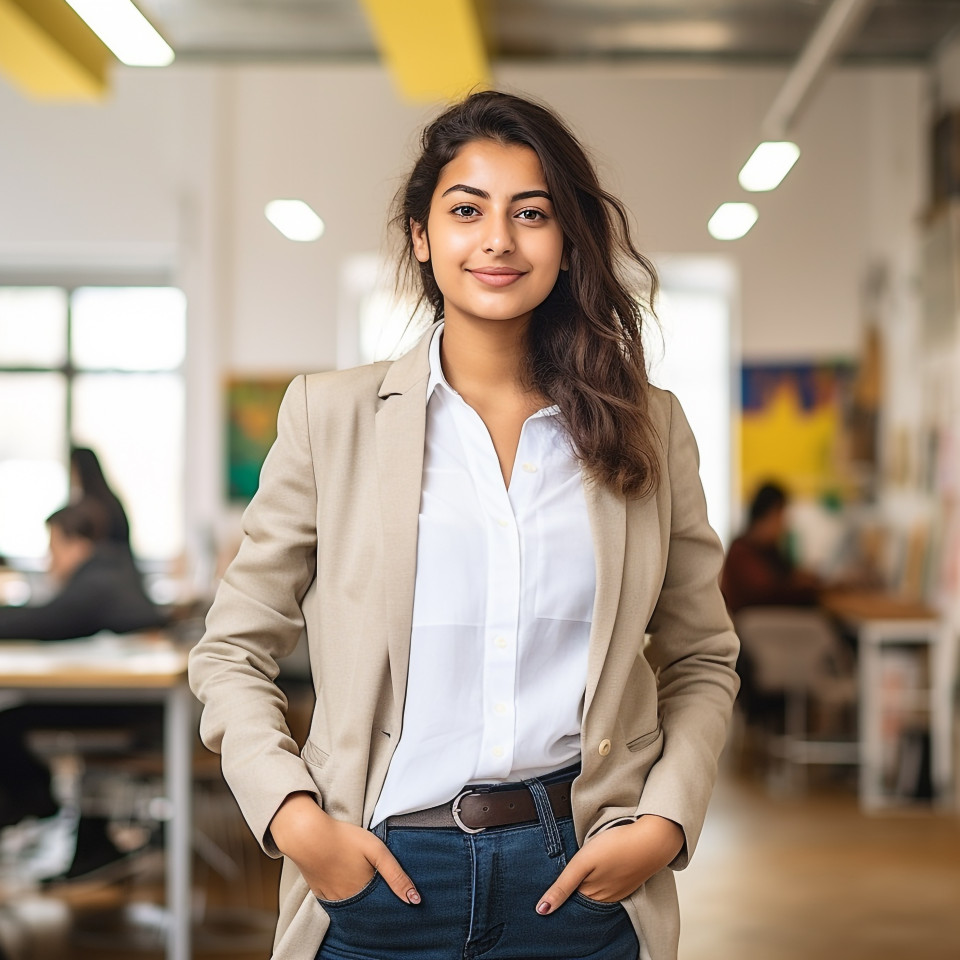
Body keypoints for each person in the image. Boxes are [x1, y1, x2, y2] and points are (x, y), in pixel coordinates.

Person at [189, 91, 739, 960]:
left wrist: (665, 821)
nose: (498, 240)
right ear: (421, 233)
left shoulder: (648, 426)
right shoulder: (330, 417)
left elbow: (703, 656)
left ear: (567, 242)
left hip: (580, 878)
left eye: (532, 213)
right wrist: (296, 822)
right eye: (466, 210)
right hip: (377, 878)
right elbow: (231, 650)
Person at [0, 502, 166, 878]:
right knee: (14, 716)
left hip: (132, 708)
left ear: (75, 544)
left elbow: (42, 621)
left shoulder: (97, 581)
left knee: (10, 721)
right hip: (138, 703)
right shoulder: (112, 568)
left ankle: (34, 800)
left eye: (53, 548)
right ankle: (45, 807)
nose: (48, 561)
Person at [720, 481, 822, 616]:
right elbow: (766, 592)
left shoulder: (769, 550)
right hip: (763, 626)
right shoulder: (741, 552)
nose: (784, 524)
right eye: (781, 515)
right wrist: (802, 586)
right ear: (770, 513)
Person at [69, 446, 132, 553]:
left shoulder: (92, 509)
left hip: (108, 565)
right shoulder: (109, 499)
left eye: (73, 469)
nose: (71, 475)